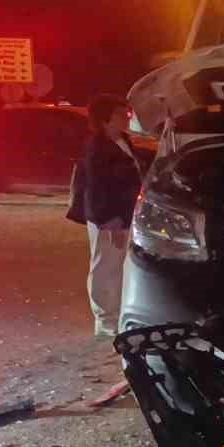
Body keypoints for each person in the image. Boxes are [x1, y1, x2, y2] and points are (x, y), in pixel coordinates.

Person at [66, 95, 149, 337]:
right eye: (121, 115)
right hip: (109, 218)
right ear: (105, 120)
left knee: (120, 266)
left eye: (127, 114)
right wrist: (109, 219)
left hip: (125, 214)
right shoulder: (97, 147)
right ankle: (105, 321)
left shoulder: (123, 140)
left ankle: (119, 315)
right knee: (105, 268)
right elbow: (96, 188)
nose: (127, 118)